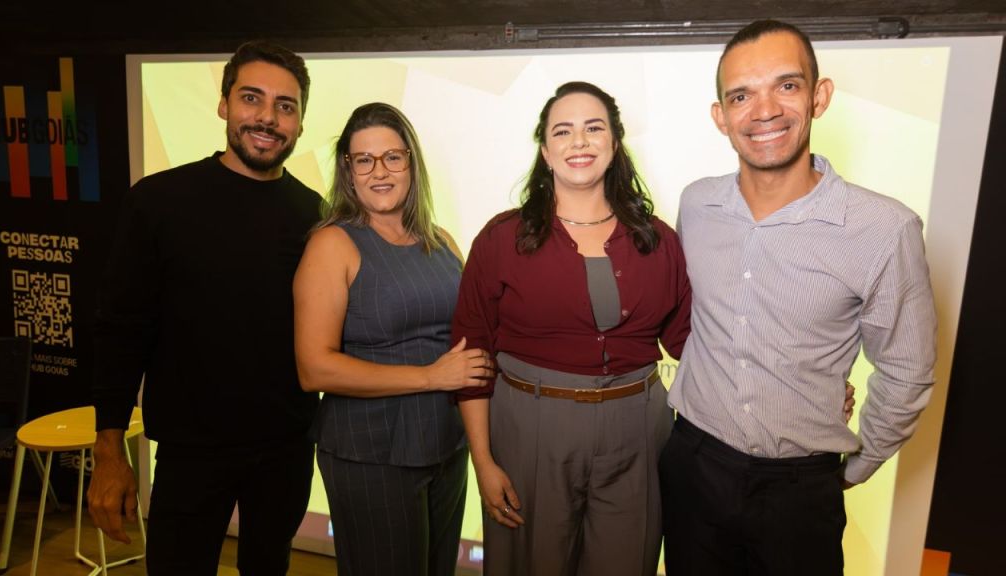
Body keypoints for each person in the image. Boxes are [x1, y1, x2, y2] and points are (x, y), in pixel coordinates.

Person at [661, 19, 937, 576]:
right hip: (693, 467)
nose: (763, 110)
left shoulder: (884, 228)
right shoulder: (696, 206)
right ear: (721, 116)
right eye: (742, 95)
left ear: (819, 96)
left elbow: (907, 373)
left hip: (799, 491)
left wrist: (851, 466)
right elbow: (694, 320)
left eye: (786, 86)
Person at [88, 40, 321, 574]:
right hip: (190, 454)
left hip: (285, 450)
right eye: (251, 98)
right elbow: (121, 329)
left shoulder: (313, 212)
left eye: (285, 106)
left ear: (301, 123)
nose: (267, 117)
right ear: (223, 104)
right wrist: (109, 450)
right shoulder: (158, 201)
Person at [453, 81, 692, 576]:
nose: (578, 142)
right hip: (530, 431)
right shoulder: (501, 239)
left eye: (593, 128)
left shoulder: (660, 241)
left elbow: (696, 343)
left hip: (637, 434)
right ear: (545, 150)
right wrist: (483, 460)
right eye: (563, 131)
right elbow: (472, 354)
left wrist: (797, 385)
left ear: (615, 142)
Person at [293, 102, 492, 576]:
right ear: (348, 171)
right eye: (364, 160)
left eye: (392, 157)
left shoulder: (441, 241)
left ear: (411, 163)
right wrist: (429, 376)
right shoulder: (333, 243)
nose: (379, 171)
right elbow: (313, 369)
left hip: (445, 443)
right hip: (370, 451)